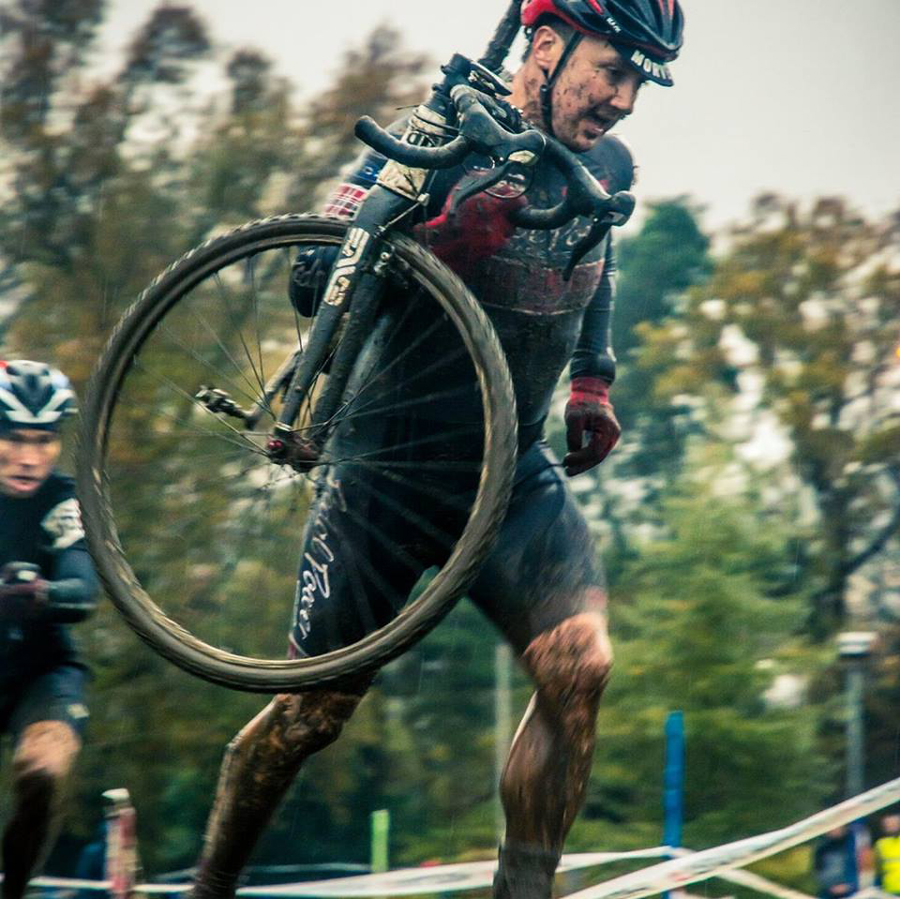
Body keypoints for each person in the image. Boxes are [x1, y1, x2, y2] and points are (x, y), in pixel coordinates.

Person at [192, 3, 684, 898]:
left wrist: (594, 377)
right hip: (385, 476)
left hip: (507, 473)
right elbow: (313, 275)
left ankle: (523, 890)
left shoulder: (609, 164)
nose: (623, 100)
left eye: (638, 82)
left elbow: (597, 250)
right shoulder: (432, 139)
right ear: (545, 46)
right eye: (612, 71)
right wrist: (442, 239)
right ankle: (210, 882)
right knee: (309, 717)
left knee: (581, 665)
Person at [0, 359, 98, 899]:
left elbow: (84, 590)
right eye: (14, 438)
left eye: (43, 440)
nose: (29, 457)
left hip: (42, 669)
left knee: (43, 773)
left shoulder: (62, 499)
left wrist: (41, 594)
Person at [814, 826, 860, 899]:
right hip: (830, 892)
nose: (833, 830)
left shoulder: (856, 841)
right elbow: (819, 871)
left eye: (835, 827)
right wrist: (831, 887)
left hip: (858, 889)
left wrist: (851, 885)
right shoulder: (822, 849)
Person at [875, 813, 900, 896]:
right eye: (889, 824)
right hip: (889, 890)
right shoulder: (880, 844)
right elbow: (878, 870)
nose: (892, 826)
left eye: (894, 823)